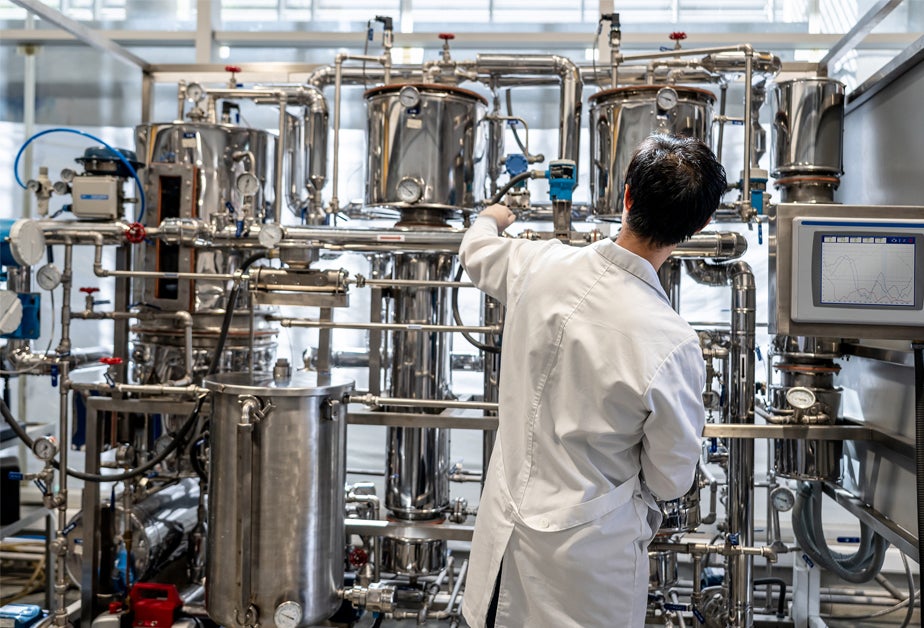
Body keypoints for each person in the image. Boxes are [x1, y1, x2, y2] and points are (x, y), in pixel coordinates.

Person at [458, 134, 727, 628]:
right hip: (586, 561)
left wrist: (495, 213)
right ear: (701, 224)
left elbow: (475, 251)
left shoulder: (537, 264)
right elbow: (670, 478)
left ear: (626, 195)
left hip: (504, 535)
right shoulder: (671, 342)